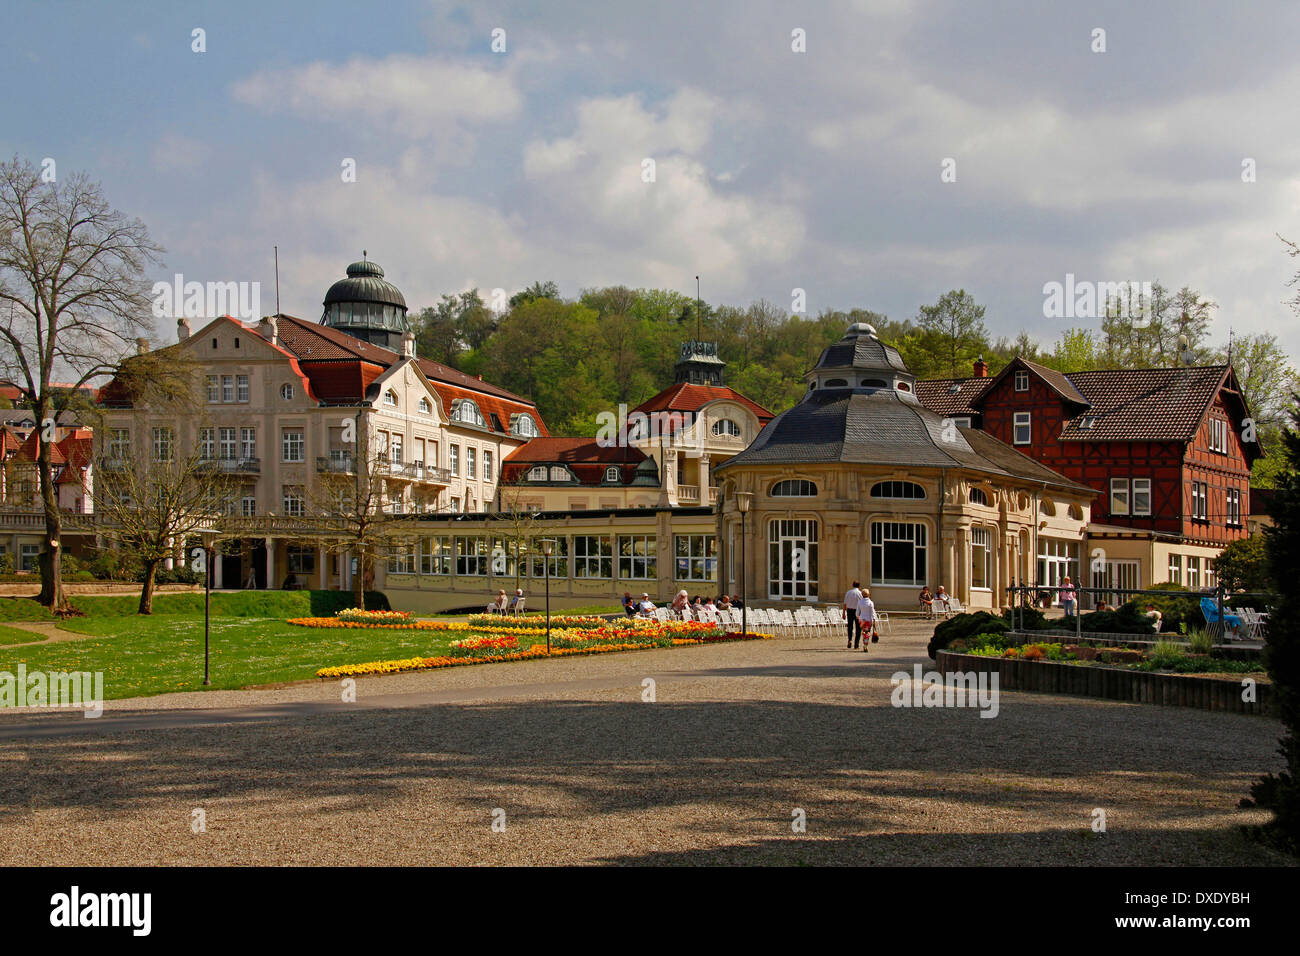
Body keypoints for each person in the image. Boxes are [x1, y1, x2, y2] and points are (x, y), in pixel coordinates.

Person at [843, 580, 864, 649]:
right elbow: (862, 604)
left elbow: (845, 604)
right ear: (859, 586)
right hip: (857, 611)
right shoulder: (860, 593)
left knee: (850, 626)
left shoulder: (848, 592)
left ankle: (850, 639)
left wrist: (844, 613)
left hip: (849, 610)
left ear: (852, 585)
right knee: (858, 628)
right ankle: (856, 644)